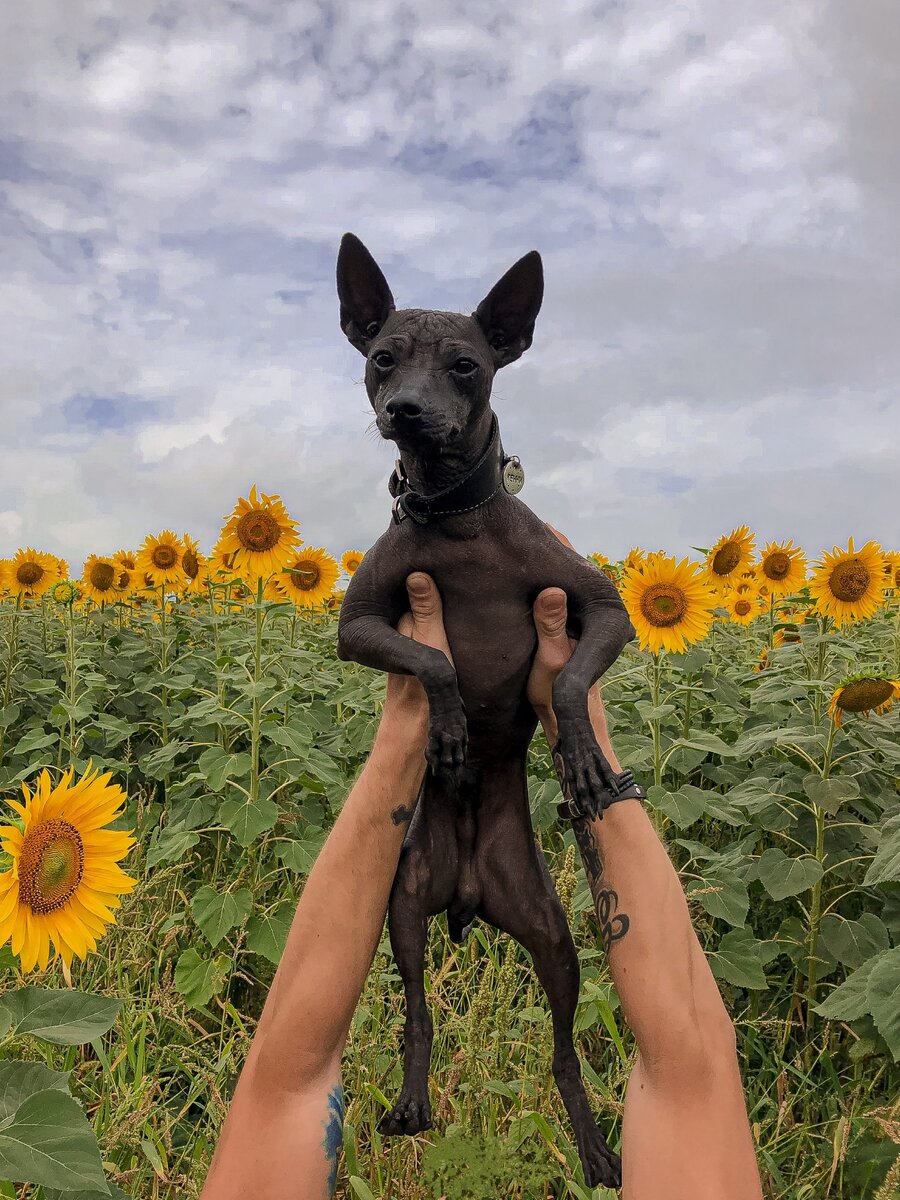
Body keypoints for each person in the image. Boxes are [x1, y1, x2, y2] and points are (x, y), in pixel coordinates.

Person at [200, 539, 765, 1200]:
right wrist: (576, 725)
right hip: (503, 824)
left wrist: (408, 722)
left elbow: (282, 1083)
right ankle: (474, 1079)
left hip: (464, 826)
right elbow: (693, 1063)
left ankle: (474, 1083)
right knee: (682, 1049)